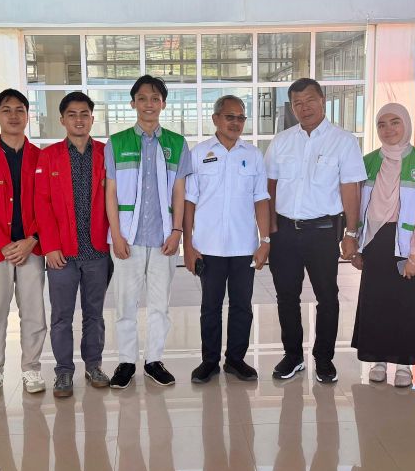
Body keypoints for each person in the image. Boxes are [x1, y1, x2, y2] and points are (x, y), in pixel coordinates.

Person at [264, 77, 366, 384]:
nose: (304, 107)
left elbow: (351, 190)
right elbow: (269, 187)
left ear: (322, 100)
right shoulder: (282, 141)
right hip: (284, 231)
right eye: (297, 103)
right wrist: (268, 232)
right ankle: (292, 356)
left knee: (327, 297)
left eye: (309, 100)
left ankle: (324, 359)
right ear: (292, 107)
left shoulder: (343, 141)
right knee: (286, 296)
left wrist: (351, 234)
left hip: (322, 231)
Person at [105, 75, 192, 389]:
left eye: (155, 98)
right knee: (125, 304)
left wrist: (177, 231)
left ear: (163, 104)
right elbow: (110, 193)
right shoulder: (117, 143)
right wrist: (116, 235)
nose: (149, 104)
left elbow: (179, 191)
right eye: (142, 98)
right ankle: (126, 361)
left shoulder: (177, 144)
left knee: (159, 305)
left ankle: (154, 360)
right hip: (127, 238)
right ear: (133, 104)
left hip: (162, 238)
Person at [183, 95, 271, 384]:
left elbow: (261, 199)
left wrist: (265, 240)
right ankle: (209, 362)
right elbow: (189, 201)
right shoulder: (199, 154)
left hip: (244, 246)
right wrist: (188, 244)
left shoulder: (253, 155)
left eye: (240, 118)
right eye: (229, 117)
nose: (235, 123)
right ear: (216, 119)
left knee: (242, 306)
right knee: (210, 307)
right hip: (208, 246)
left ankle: (235, 360)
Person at [350, 103, 415, 388]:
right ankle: (378, 361)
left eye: (395, 122)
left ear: (406, 124)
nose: (388, 129)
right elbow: (359, 206)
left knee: (406, 305)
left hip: (407, 244)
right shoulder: (368, 161)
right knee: (376, 302)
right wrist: (358, 246)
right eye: (382, 124)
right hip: (375, 240)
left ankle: (404, 365)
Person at [0, 89, 47, 398]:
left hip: (31, 249)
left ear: (28, 115)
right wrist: (3, 244)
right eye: (6, 110)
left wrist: (32, 240)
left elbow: (47, 204)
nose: (13, 115)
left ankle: (31, 368)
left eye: (19, 110)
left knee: (34, 312)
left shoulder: (41, 157)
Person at [34, 91, 112, 398]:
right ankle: (64, 371)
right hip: (62, 253)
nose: (79, 120)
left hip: (97, 251)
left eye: (84, 114)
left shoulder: (106, 153)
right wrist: (50, 246)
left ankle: (94, 366)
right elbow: (41, 204)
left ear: (92, 118)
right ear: (62, 120)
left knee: (95, 314)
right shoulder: (49, 156)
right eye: (72, 114)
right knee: (61, 316)